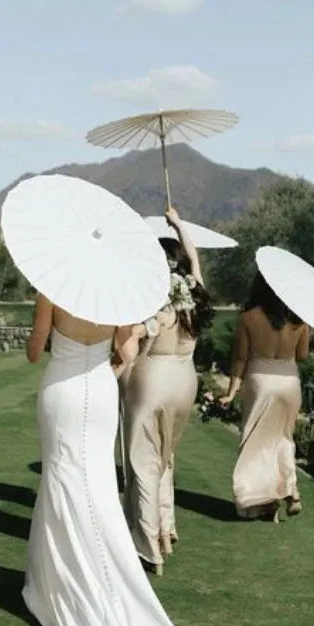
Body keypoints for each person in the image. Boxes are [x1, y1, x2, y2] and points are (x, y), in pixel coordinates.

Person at [22, 294, 278, 626]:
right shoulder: (111, 295)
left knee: (62, 483)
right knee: (95, 485)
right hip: (98, 392)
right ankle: (72, 579)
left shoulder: (53, 292)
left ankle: (57, 583)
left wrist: (54, 339)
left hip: (61, 389)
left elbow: (33, 348)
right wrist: (117, 351)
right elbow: (126, 353)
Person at [120, 208, 214, 574]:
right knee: (164, 460)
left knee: (142, 462)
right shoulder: (193, 296)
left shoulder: (153, 298)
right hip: (185, 381)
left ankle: (147, 548)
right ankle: (164, 530)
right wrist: (179, 225)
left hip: (151, 381)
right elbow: (195, 260)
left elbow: (133, 338)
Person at [220, 272, 310, 521]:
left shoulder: (248, 318)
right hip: (290, 381)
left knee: (254, 442)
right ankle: (291, 490)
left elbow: (240, 358)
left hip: (261, 379)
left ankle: (257, 502)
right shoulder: (301, 320)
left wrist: (230, 392)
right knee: (283, 437)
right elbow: (302, 354)